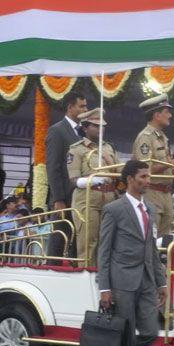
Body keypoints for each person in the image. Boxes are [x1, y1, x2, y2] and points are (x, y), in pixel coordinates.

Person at [97, 160, 167, 346]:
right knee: (126, 336)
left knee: (150, 332)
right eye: (143, 177)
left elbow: (153, 251)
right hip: (122, 282)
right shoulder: (114, 209)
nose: (148, 181)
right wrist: (104, 287)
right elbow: (103, 251)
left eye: (148, 176)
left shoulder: (150, 210)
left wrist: (161, 282)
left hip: (146, 281)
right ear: (129, 180)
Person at [67, 107, 119, 267]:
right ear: (85, 127)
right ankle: (86, 279)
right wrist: (92, 180)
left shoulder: (108, 148)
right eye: (95, 126)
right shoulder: (77, 149)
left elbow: (119, 172)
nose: (100, 129)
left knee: (108, 243)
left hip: (109, 199)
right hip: (88, 200)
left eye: (102, 126)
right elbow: (73, 180)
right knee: (89, 243)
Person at [132, 94, 174, 238]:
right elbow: (144, 169)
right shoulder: (145, 137)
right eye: (166, 112)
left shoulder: (163, 137)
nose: (170, 115)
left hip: (165, 193)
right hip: (152, 192)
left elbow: (167, 167)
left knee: (164, 240)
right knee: (151, 236)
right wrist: (169, 163)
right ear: (156, 115)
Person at [45, 91, 88, 260]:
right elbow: (53, 166)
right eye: (82, 106)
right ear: (70, 107)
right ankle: (50, 271)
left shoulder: (83, 131)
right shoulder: (57, 131)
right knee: (59, 239)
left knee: (75, 242)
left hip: (80, 197)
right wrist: (58, 199)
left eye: (86, 105)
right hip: (64, 198)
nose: (86, 109)